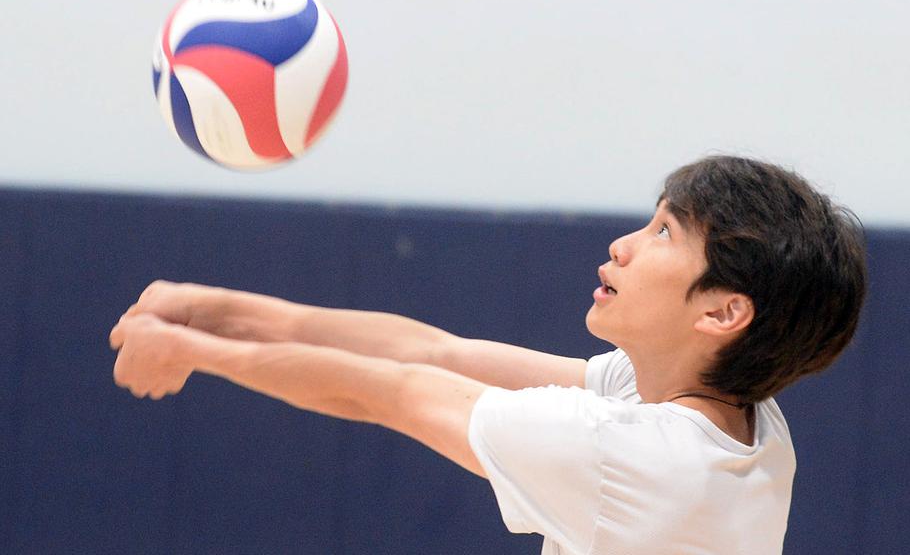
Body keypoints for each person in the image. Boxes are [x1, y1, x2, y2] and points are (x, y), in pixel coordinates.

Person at [109, 156, 867, 554]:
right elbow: (438, 353)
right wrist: (217, 309)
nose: (624, 245)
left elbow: (391, 392)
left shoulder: (632, 459)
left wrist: (191, 349)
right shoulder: (740, 418)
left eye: (666, 233)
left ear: (724, 311)